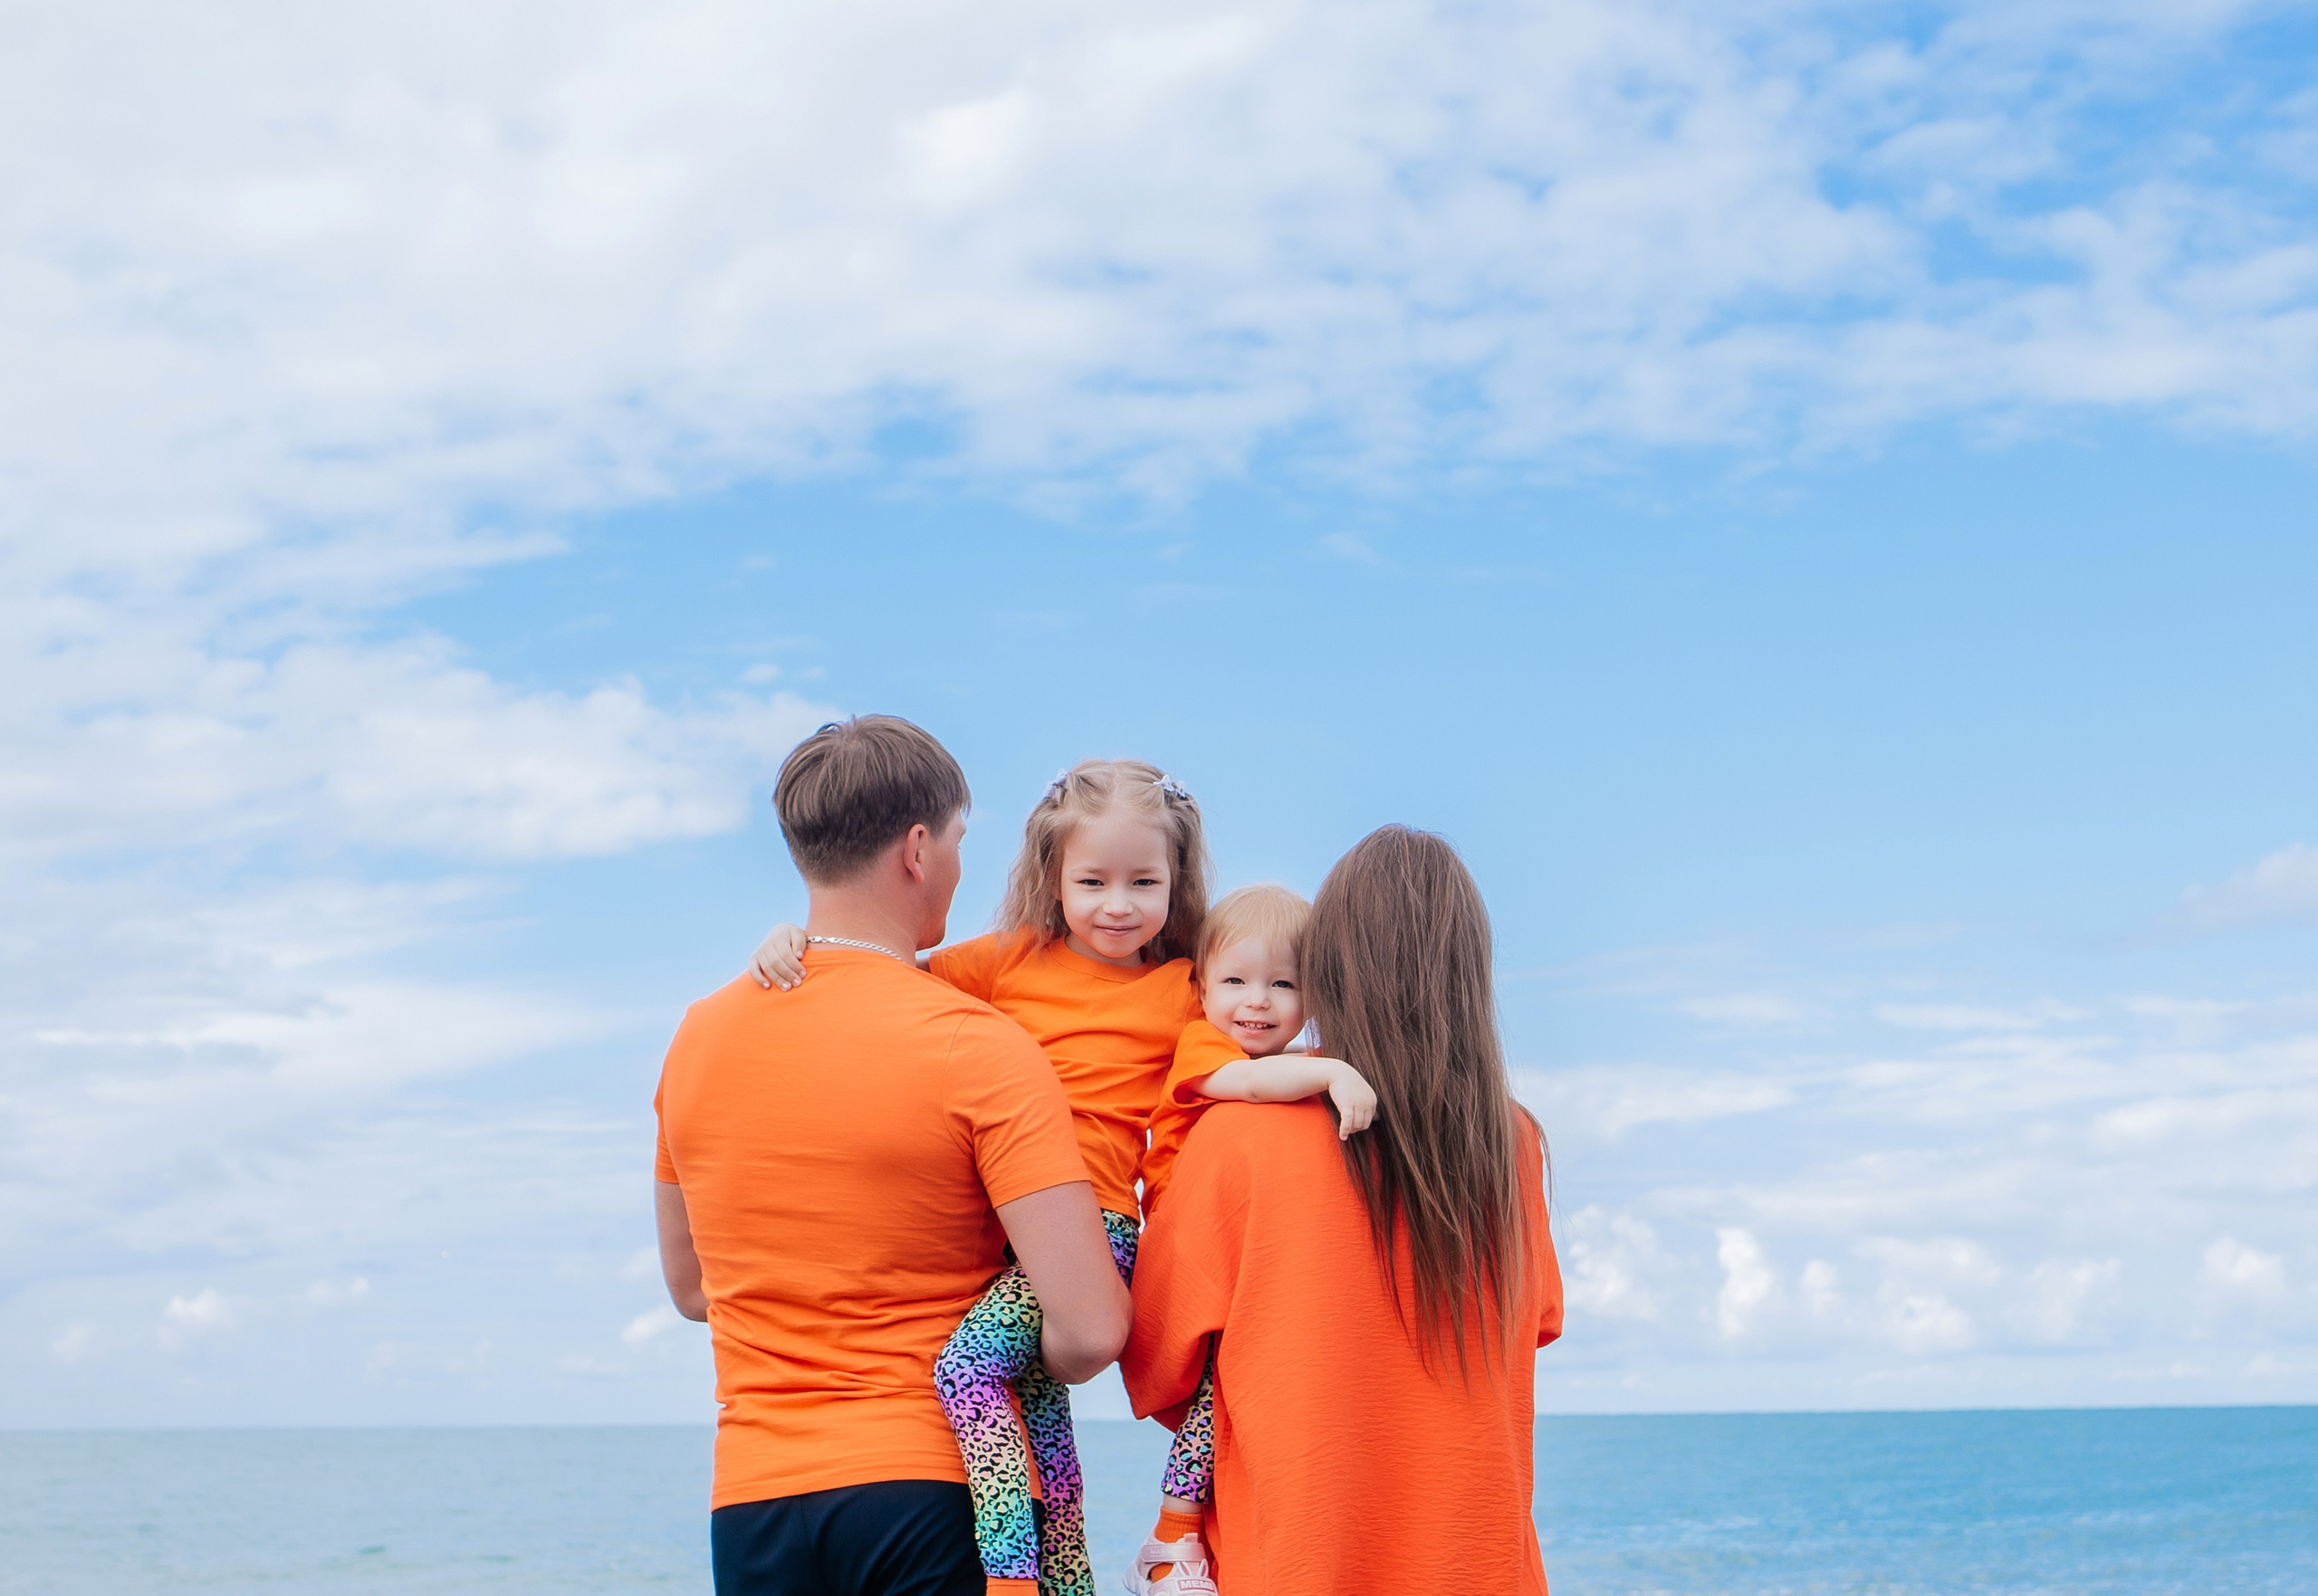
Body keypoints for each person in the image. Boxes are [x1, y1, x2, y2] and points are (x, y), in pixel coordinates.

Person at [748, 767, 1369, 1596]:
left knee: (966, 1372)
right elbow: (882, 976)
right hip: (1001, 1234)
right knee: (1042, 1423)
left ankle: (1007, 1580)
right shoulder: (1006, 963)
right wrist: (795, 940)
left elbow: (1246, 1056)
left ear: (1177, 882)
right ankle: (1067, 1584)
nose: (1119, 903)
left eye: (1144, 882)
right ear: (1053, 878)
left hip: (1094, 1229)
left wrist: (1328, 1069)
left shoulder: (1183, 986)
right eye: (1094, 881)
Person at [654, 717, 1130, 1596]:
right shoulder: (977, 1042)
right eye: (956, 838)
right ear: (917, 847)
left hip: (754, 1499)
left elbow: (692, 1289)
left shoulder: (698, 1036)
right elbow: (1090, 1328)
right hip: (937, 1492)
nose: (956, 861)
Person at [1123, 826, 1565, 1595]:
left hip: (1299, 1561)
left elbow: (1158, 1359)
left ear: (1329, 970)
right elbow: (1537, 1324)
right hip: (1485, 1565)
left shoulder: (1240, 1133)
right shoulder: (1513, 1141)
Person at [1125, 883, 1377, 1596]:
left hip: (1241, 1249)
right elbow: (1258, 1086)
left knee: (1235, 1394)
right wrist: (1333, 1070)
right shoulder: (1208, 1049)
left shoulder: (1291, 1061)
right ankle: (1171, 1534)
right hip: (1187, 1237)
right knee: (1210, 1398)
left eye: (1282, 984)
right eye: (1234, 981)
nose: (1256, 1002)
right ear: (1200, 988)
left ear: (1316, 996)